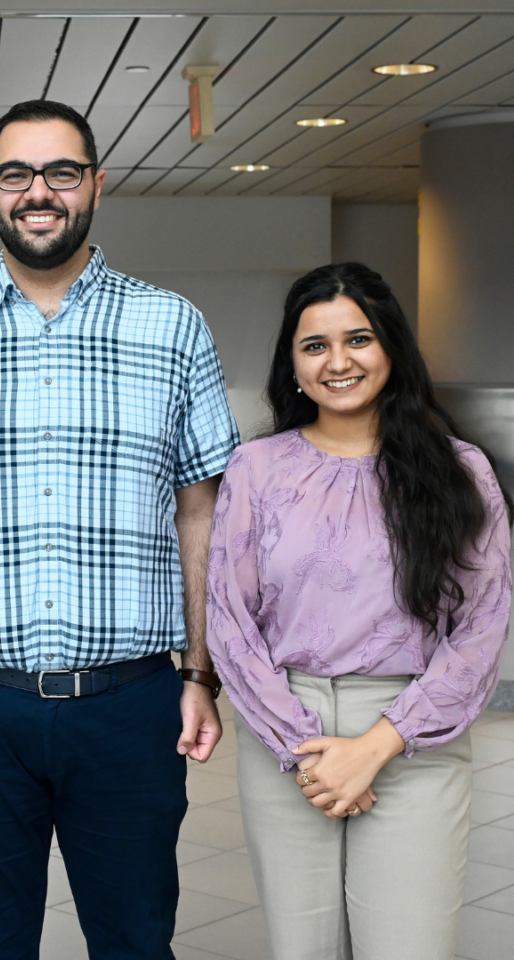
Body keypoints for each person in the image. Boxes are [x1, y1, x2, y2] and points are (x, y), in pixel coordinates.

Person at [0, 99, 239, 959]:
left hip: (132, 705)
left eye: (62, 172)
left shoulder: (171, 326)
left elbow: (204, 510)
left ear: (97, 185)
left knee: (136, 941)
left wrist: (201, 674)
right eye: (16, 174)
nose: (40, 192)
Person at [206, 262, 512, 960]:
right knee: (302, 948)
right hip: (289, 732)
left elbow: (481, 629)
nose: (338, 362)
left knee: (408, 945)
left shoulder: (460, 472)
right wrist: (304, 750)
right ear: (292, 362)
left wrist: (375, 748)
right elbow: (228, 618)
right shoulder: (258, 469)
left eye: (359, 339)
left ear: (392, 347)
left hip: (413, 738)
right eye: (315, 346)